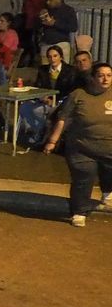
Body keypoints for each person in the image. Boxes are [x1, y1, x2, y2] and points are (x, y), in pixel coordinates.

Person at [43, 61, 112, 227]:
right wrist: (52, 141)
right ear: (93, 77)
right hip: (81, 148)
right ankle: (79, 211)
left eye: (109, 75)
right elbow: (63, 119)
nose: (105, 79)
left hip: (109, 149)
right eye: (101, 75)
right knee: (84, 176)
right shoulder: (78, 95)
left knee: (108, 172)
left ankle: (107, 192)